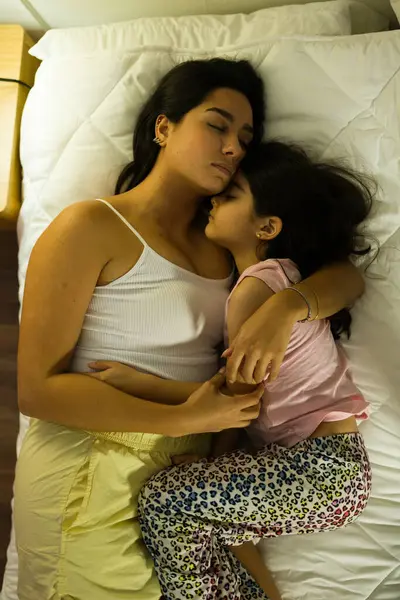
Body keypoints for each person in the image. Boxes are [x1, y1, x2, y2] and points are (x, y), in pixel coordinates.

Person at [14, 56, 364, 600]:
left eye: (245, 138)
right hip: (92, 466)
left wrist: (286, 309)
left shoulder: (233, 248)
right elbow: (36, 390)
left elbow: (344, 277)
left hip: (189, 476)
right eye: (217, 124)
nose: (233, 148)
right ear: (163, 127)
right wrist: (186, 416)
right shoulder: (90, 226)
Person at [93, 141, 373, 599]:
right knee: (212, 518)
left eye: (231, 195)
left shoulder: (256, 289)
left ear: (267, 225)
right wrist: (215, 468)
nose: (214, 200)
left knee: (166, 503)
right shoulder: (279, 279)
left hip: (321, 471)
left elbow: (234, 405)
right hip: (326, 470)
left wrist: (138, 384)